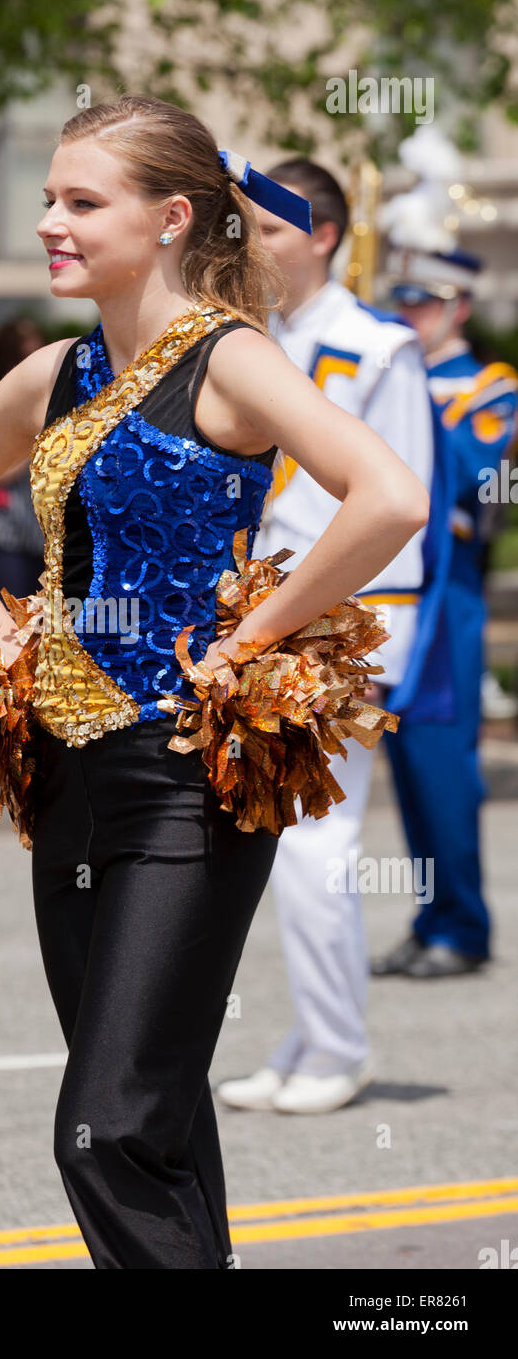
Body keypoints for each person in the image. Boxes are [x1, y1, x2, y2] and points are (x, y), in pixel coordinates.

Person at [0, 94, 428, 1270]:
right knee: (163, 1114)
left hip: (185, 778)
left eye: (80, 202)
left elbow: (389, 495)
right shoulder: (56, 368)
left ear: (170, 216)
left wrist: (252, 640)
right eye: (50, 196)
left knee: (105, 1132)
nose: (49, 220)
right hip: (64, 784)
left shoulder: (229, 362)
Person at [217, 159, 439, 1115]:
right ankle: (313, 1031)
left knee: (318, 844)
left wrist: (376, 649)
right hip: (266, 611)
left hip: (349, 620)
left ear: (324, 235)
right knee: (282, 835)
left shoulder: (379, 346)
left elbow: (401, 505)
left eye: (267, 231)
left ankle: (340, 1047)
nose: (250, 249)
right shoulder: (248, 341)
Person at [371, 209, 518, 977]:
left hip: (447, 599)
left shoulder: (490, 387)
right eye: (401, 302)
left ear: (458, 307)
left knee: (443, 767)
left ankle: (464, 926)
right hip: (393, 591)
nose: (409, 316)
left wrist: (408, 388)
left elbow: (469, 476)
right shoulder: (396, 370)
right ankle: (432, 919)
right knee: (408, 772)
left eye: (423, 303)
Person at [0, 317, 48, 599]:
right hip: (7, 533)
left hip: (48, 535)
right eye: (23, 354)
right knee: (12, 626)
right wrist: (41, 437)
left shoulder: (59, 397)